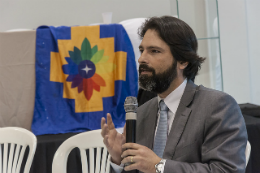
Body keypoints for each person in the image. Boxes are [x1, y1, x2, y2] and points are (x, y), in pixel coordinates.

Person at [101, 16, 247, 173]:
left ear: (183, 61)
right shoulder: (142, 113)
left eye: (154, 51)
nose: (141, 59)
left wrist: (159, 166)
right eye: (142, 50)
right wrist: (118, 160)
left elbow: (227, 170)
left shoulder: (217, 106)